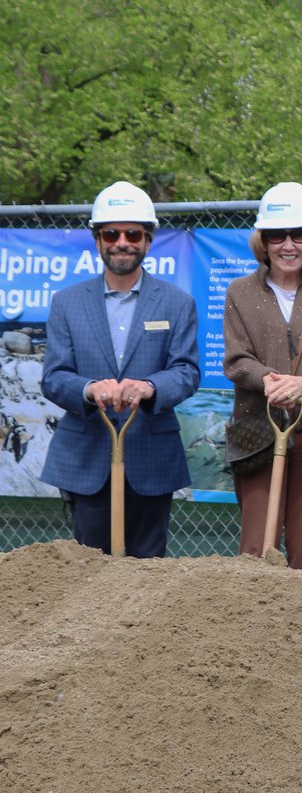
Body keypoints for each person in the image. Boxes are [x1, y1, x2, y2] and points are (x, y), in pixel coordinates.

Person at [40, 181, 200, 557]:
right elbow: (54, 377)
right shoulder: (67, 303)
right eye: (111, 233)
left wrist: (149, 387)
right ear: (97, 240)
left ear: (148, 240)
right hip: (88, 458)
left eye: (133, 233)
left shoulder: (177, 303)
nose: (122, 242)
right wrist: (90, 389)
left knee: (146, 575)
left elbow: (187, 371)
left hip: (151, 457)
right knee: (88, 573)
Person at [223, 182, 302, 567]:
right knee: (257, 544)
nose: (288, 245)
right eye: (277, 235)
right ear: (263, 240)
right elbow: (236, 358)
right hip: (258, 431)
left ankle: (301, 627)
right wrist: (268, 381)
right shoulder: (239, 293)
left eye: (299, 234)